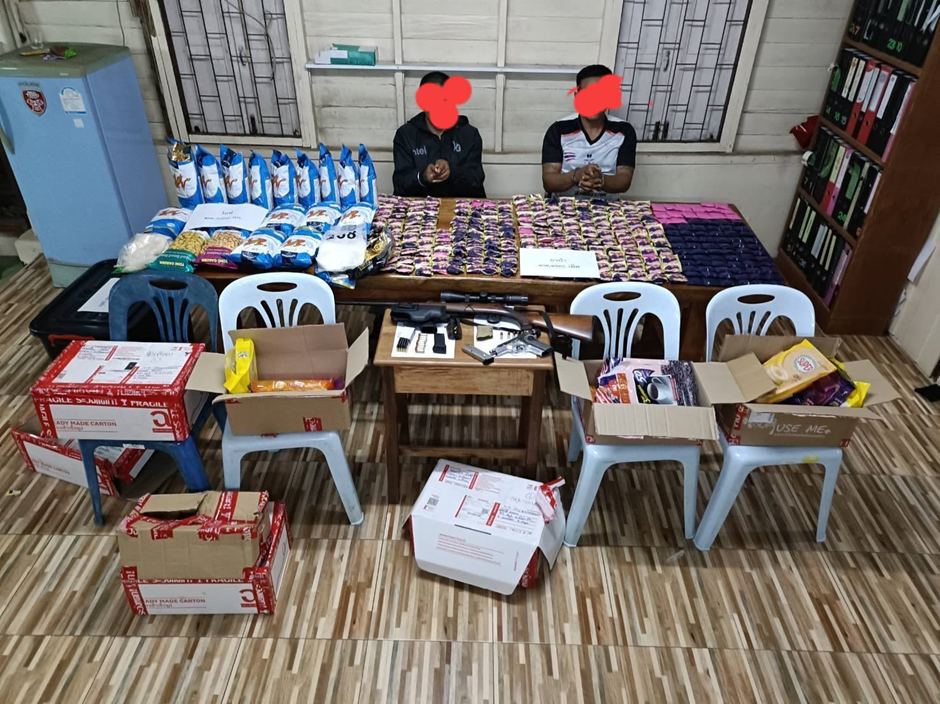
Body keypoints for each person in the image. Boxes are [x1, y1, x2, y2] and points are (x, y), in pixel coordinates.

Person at [541, 64, 636, 198]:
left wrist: (600, 179)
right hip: (563, 207)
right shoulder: (559, 129)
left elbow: (624, 181)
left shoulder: (624, 131)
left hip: (608, 208)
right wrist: (576, 176)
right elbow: (549, 181)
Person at [392, 71, 486, 198]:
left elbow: (476, 181)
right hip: (420, 209)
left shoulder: (469, 134)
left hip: (463, 208)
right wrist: (422, 177)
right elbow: (399, 185)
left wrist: (452, 171)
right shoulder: (405, 135)